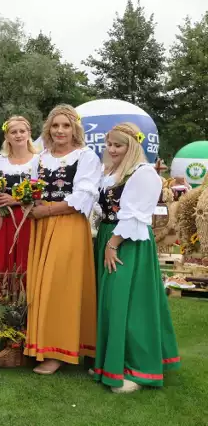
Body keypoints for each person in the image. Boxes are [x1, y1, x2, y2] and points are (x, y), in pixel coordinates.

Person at [93, 123, 180, 393]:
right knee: (110, 303)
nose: (112, 149)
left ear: (132, 146)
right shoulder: (113, 172)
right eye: (109, 144)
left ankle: (137, 370)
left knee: (128, 304)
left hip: (127, 242)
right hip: (110, 235)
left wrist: (112, 244)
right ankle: (111, 363)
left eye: (118, 145)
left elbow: (135, 216)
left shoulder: (143, 174)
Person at [25, 104, 101, 374]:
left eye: (66, 126)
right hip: (42, 227)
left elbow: (83, 197)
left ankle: (59, 351)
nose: (60, 131)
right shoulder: (41, 157)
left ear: (75, 129)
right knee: (41, 284)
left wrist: (45, 210)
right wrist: (30, 203)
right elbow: (31, 189)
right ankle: (43, 345)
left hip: (67, 225)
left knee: (61, 285)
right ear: (49, 128)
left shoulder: (86, 157)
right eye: (55, 125)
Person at [0, 116, 38, 301]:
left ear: (29, 134)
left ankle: (25, 308)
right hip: (1, 220)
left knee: (25, 263)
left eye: (22, 131)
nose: (18, 135)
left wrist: (16, 199)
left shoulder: (39, 161)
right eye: (14, 132)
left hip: (27, 219)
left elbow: (43, 192)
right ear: (7, 136)